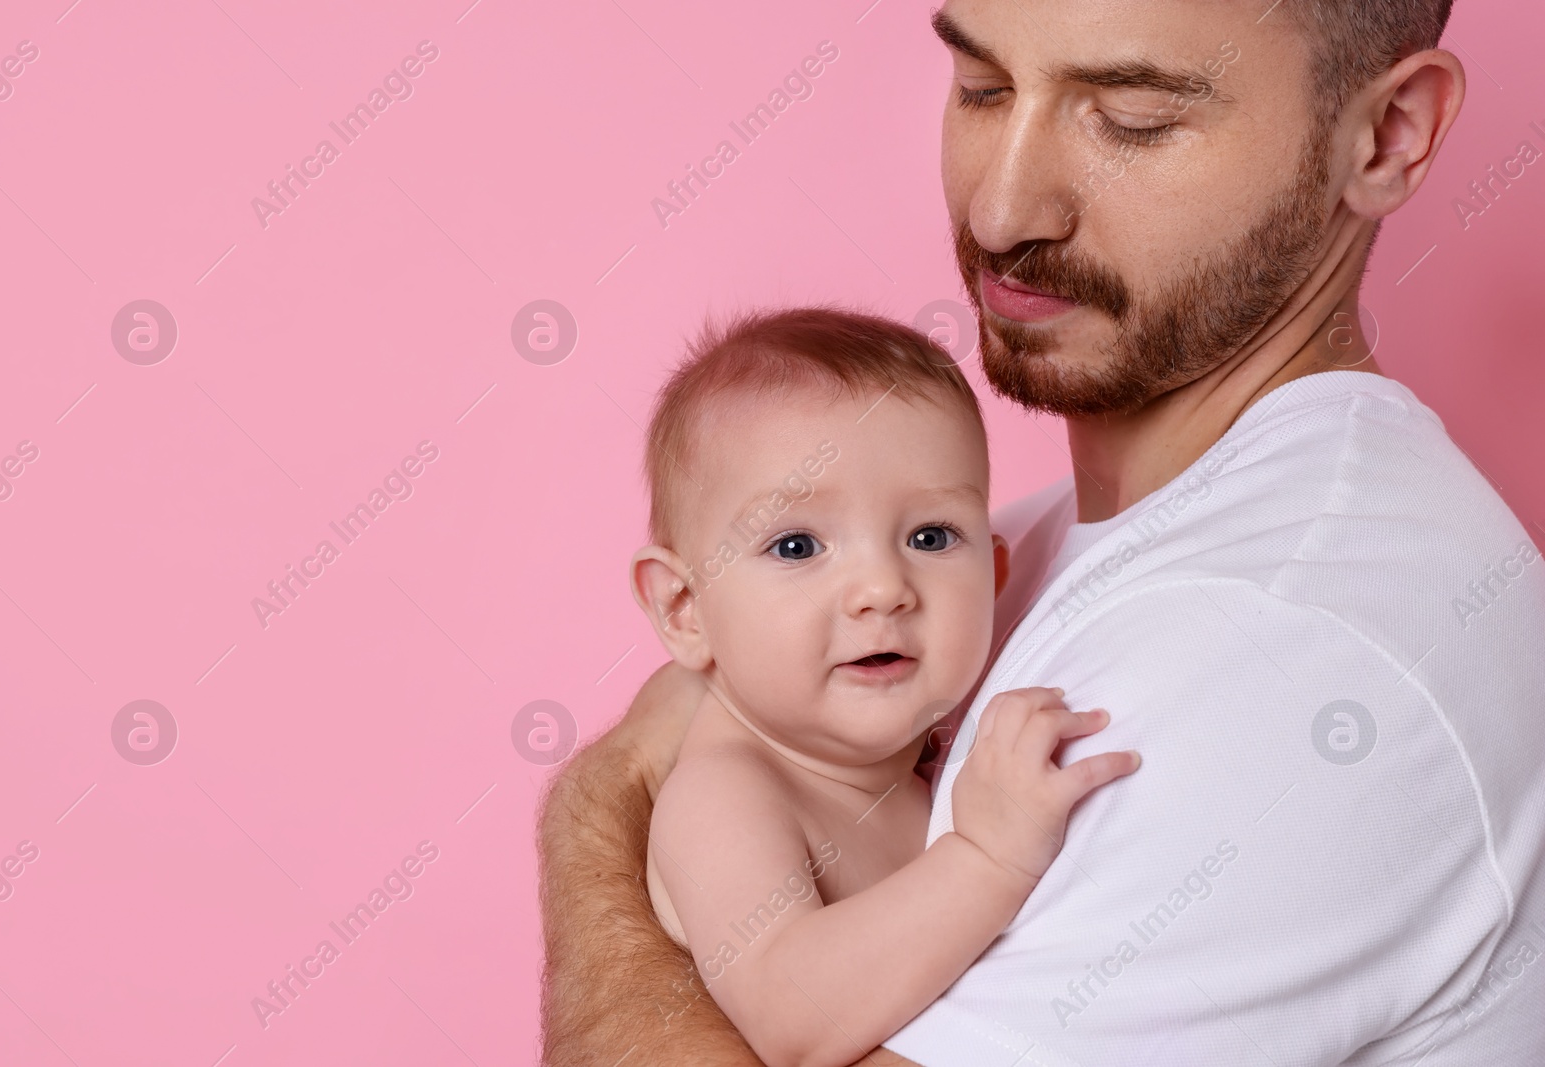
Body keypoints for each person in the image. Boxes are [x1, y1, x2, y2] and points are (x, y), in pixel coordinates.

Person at [537, 1, 1545, 1063]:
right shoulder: (996, 567)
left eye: (1130, 117)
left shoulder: (1295, 647)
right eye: (980, 89)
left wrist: (594, 815)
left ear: (1386, 135)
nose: (1000, 210)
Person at [628, 306, 1140, 1067]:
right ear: (685, 608)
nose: (881, 588)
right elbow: (790, 1016)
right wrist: (986, 856)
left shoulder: (911, 758)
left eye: (931, 537)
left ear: (994, 579)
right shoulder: (726, 794)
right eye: (797, 544)